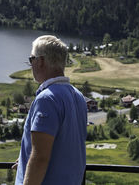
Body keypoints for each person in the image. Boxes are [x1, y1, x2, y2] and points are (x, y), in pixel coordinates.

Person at [14, 35, 87, 185]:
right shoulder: (78, 96)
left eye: (31, 59)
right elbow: (63, 144)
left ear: (40, 61)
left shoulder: (47, 99)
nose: (31, 64)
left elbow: (40, 157)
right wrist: (24, 159)